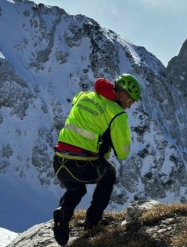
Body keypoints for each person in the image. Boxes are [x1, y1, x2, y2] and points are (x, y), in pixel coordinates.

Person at [52, 74, 142, 246]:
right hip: (81, 166)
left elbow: (75, 100)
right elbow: (122, 152)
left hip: (59, 163)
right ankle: (92, 223)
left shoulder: (84, 95)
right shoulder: (117, 114)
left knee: (77, 189)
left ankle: (64, 213)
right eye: (131, 100)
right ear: (122, 95)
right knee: (109, 173)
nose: (130, 106)